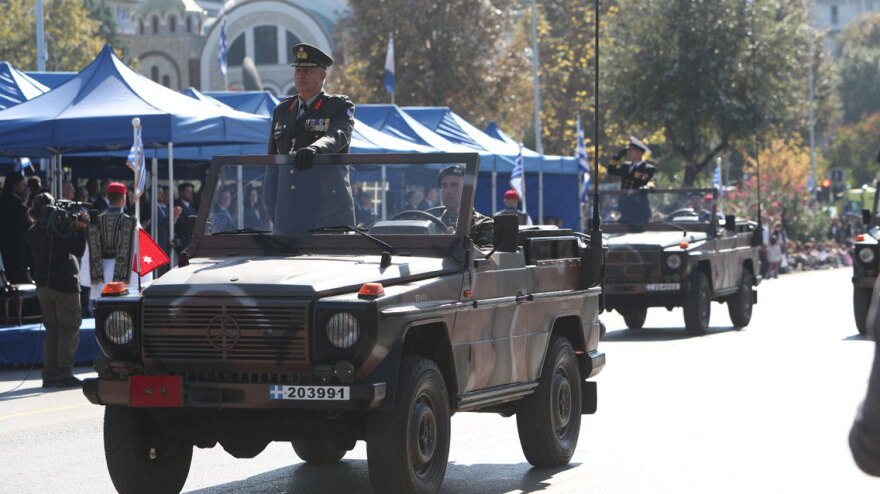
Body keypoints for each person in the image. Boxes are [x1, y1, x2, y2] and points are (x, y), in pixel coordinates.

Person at [265, 43, 356, 234]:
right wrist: (272, 206)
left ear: (322, 75)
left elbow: (339, 134)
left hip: (327, 211)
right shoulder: (282, 111)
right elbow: (272, 165)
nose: (300, 76)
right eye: (297, 71)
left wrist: (315, 149)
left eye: (307, 71)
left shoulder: (338, 106)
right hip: (288, 213)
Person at [26, 192, 87, 388]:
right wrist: (80, 229)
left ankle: (49, 374)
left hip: (44, 285)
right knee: (68, 329)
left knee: (51, 331)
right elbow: (78, 249)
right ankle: (64, 373)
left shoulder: (33, 230)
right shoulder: (60, 228)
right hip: (64, 286)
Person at [80, 182, 151, 301]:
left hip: (101, 273)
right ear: (124, 198)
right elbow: (140, 252)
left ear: (107, 198)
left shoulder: (96, 222)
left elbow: (89, 251)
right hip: (124, 277)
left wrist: (87, 279)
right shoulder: (132, 223)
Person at [427, 165, 494, 246]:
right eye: (444, 186)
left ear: (467, 190)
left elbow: (485, 256)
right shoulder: (431, 225)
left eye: (454, 185)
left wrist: (453, 243)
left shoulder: (484, 225)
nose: (448, 191)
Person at [606, 137, 655, 223]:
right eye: (628, 151)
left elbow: (652, 180)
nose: (628, 153)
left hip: (639, 208)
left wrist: (648, 187)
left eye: (631, 150)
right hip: (624, 208)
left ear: (640, 153)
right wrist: (617, 157)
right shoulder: (626, 166)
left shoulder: (648, 168)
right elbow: (611, 171)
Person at [0, 171, 33, 284]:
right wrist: (24, 202)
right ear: (15, 186)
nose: (25, 188)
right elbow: (19, 225)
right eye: (22, 185)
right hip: (13, 252)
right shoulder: (10, 203)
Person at [174, 182, 197, 252]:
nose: (191, 194)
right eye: (188, 192)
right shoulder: (175, 206)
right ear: (181, 193)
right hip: (180, 244)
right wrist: (176, 239)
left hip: (190, 242)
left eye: (191, 192)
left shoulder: (192, 208)